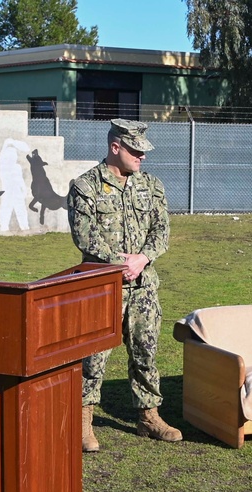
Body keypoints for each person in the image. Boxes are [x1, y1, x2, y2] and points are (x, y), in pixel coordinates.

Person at [67, 118, 182, 452]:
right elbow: (84, 236)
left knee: (146, 351)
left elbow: (162, 231)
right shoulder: (85, 186)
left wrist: (142, 258)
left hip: (144, 286)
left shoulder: (152, 185)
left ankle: (149, 417)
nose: (141, 157)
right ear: (115, 147)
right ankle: (83, 421)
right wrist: (121, 263)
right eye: (135, 150)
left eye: (143, 151)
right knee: (93, 357)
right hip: (102, 286)